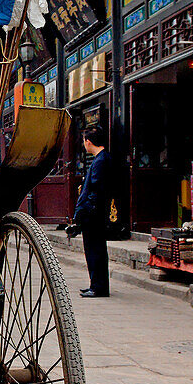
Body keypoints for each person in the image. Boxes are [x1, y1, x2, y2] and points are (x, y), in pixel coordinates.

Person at [71, 126, 113, 298]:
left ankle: (98, 287)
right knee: (96, 250)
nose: (84, 144)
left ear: (88, 142)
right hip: (97, 213)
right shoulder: (102, 159)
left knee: (95, 251)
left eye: (84, 141)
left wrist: (86, 210)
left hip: (94, 214)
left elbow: (95, 190)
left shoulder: (100, 161)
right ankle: (96, 284)